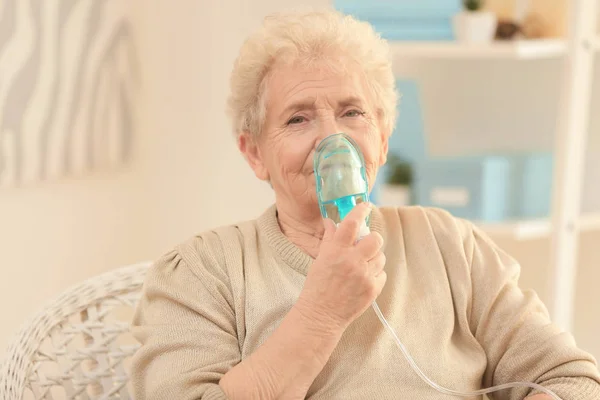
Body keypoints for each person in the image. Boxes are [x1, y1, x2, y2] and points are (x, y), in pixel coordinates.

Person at [130, 9, 600, 400]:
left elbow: (573, 379)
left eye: (352, 112)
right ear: (255, 153)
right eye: (298, 118)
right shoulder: (202, 272)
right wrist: (321, 314)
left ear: (382, 137)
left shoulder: (449, 245)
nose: (333, 139)